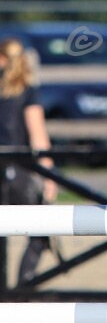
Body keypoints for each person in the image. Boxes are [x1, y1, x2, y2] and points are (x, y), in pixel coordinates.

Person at [0, 37, 58, 286]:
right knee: (39, 232)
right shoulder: (27, 92)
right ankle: (23, 288)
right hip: (19, 170)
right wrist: (49, 176)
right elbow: (38, 137)